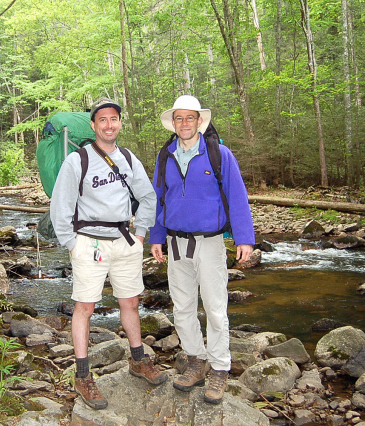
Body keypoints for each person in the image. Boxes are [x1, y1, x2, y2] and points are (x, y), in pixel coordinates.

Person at [50, 98, 167, 410]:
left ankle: (139, 360)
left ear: (119, 123)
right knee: (85, 307)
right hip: (89, 241)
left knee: (130, 301)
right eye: (102, 120)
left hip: (124, 239)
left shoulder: (128, 158)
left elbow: (147, 196)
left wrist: (140, 232)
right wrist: (71, 243)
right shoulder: (78, 160)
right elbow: (60, 205)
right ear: (93, 125)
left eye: (113, 119)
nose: (108, 124)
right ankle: (83, 375)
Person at [149, 95, 255, 405]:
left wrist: (244, 238)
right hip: (176, 242)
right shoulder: (164, 157)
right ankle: (195, 360)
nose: (184, 123)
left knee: (215, 308)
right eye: (179, 118)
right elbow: (159, 199)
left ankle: (220, 367)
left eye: (189, 118)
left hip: (209, 242)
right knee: (181, 309)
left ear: (199, 121)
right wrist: (156, 237)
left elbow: (237, 196)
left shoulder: (219, 154)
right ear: (174, 123)